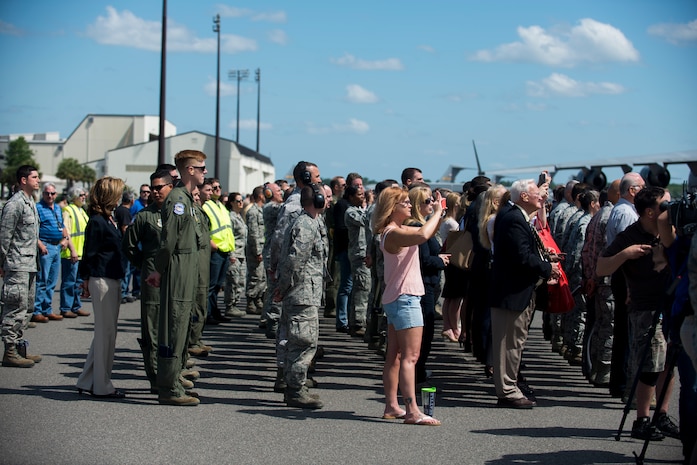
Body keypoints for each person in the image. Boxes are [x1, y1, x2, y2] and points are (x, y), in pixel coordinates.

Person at [597, 186, 679, 441]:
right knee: (650, 365)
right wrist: (626, 255)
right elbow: (601, 267)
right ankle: (642, 418)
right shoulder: (630, 235)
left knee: (668, 364)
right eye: (664, 206)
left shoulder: (670, 234)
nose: (669, 211)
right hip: (646, 307)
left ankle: (661, 414)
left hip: (670, 305)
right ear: (650, 212)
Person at [373, 186, 443, 426]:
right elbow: (424, 235)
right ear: (393, 207)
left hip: (397, 297)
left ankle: (392, 405)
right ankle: (412, 410)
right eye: (405, 202)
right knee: (410, 357)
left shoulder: (394, 230)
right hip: (406, 298)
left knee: (395, 355)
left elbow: (426, 232)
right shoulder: (392, 233)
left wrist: (434, 213)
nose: (410, 205)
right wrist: (439, 211)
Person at [489, 179, 560, 409]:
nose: (542, 198)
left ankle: (509, 387)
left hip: (516, 290)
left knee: (513, 342)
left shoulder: (517, 217)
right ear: (524, 197)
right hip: (512, 292)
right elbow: (521, 256)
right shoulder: (514, 219)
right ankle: (507, 390)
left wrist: (545, 260)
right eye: (537, 194)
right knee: (509, 342)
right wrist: (548, 268)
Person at [146, 149, 207, 407]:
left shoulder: (186, 199)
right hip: (179, 267)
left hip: (189, 267)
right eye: (201, 168)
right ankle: (168, 386)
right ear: (190, 170)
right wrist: (159, 269)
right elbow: (168, 240)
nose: (205, 172)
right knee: (174, 325)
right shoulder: (177, 200)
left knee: (182, 324)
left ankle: (175, 379)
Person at [274, 184, 328, 409]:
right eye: (325, 197)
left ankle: (295, 386)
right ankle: (296, 389)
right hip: (302, 292)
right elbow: (295, 260)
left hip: (303, 291)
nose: (328, 200)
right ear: (316, 199)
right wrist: (283, 286)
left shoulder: (310, 221)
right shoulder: (306, 223)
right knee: (303, 342)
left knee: (297, 340)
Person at [122, 170, 174, 392]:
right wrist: (144, 265)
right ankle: (154, 376)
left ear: (170, 187)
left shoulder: (177, 213)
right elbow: (129, 245)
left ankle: (172, 373)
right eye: (152, 188)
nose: (154, 192)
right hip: (152, 279)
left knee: (173, 326)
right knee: (152, 328)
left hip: (174, 278)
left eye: (159, 187)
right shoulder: (144, 216)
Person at [75, 176, 127, 398]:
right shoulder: (97, 221)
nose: (121, 197)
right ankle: (102, 385)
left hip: (111, 278)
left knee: (105, 333)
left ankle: (87, 380)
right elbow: (90, 252)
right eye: (118, 192)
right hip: (102, 279)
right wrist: (84, 279)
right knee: (105, 333)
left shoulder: (108, 219)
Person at [606, 172, 646, 399]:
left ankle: (621, 382)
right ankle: (624, 384)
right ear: (632, 191)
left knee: (625, 330)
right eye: (642, 187)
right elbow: (626, 252)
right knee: (627, 332)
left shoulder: (622, 211)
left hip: (623, 275)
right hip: (626, 276)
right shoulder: (625, 214)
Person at [407, 184, 449, 385]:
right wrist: (442, 261)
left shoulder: (422, 225)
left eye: (432, 200)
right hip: (424, 285)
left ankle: (419, 369)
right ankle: (416, 372)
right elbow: (423, 261)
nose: (431, 203)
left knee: (426, 332)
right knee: (424, 332)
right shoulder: (416, 228)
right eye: (427, 201)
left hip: (428, 284)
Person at [1, 165, 43, 368]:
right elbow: (4, 237)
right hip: (16, 265)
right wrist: (1, 264)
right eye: (34, 177)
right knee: (14, 307)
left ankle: (18, 347)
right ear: (23, 180)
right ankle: (9, 351)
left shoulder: (30, 202)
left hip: (29, 264)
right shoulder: (15, 204)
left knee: (26, 307)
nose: (38, 180)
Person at [581, 179, 620, 387]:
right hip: (607, 280)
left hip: (597, 279)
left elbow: (587, 251)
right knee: (608, 326)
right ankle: (603, 369)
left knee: (600, 325)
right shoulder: (611, 216)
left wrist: (590, 276)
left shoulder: (598, 217)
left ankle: (597, 367)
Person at [34, 182, 71, 322]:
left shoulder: (57, 208)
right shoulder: (38, 208)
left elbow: (62, 226)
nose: (50, 196)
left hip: (57, 247)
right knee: (42, 280)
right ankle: (37, 310)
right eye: (47, 193)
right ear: (43, 194)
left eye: (52, 193)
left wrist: (66, 239)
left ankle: (47, 309)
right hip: (45, 247)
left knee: (51, 281)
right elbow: (33, 229)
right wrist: (40, 244)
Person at [202, 178, 235, 324]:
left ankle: (214, 311)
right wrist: (211, 243)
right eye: (213, 188)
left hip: (225, 249)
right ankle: (207, 314)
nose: (217, 190)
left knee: (218, 286)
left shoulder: (221, 206)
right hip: (215, 250)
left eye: (218, 187)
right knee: (211, 285)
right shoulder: (207, 205)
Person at [344, 180, 371, 337]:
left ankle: (357, 321)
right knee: (362, 287)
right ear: (351, 197)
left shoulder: (360, 209)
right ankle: (358, 322)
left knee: (363, 287)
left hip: (363, 253)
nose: (363, 197)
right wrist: (370, 205)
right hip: (358, 253)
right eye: (359, 195)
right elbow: (365, 221)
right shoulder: (351, 212)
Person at [59, 186, 91, 318]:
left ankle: (76, 306)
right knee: (69, 281)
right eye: (81, 195)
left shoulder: (81, 210)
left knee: (78, 282)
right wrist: (72, 250)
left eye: (84, 195)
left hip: (81, 252)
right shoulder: (68, 211)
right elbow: (66, 232)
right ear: (74, 197)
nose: (84, 197)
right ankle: (66, 307)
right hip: (72, 253)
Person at [224, 192, 247, 318]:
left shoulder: (239, 216)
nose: (241, 203)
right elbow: (230, 236)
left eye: (241, 200)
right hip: (235, 254)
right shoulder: (231, 217)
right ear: (232, 203)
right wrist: (231, 254)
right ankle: (230, 305)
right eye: (238, 201)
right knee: (233, 281)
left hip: (242, 253)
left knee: (240, 281)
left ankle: (235, 304)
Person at [245, 186, 267, 315]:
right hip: (256, 249)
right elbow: (253, 233)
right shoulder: (253, 212)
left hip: (262, 247)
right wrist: (258, 251)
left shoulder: (261, 210)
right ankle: (250, 300)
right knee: (255, 276)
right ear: (260, 196)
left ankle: (258, 299)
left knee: (262, 277)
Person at [115, 191, 137, 304]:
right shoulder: (124, 211)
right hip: (123, 245)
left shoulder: (120, 210)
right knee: (125, 269)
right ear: (132, 200)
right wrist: (129, 242)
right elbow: (124, 228)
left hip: (121, 244)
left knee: (127, 269)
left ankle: (125, 291)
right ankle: (123, 292)